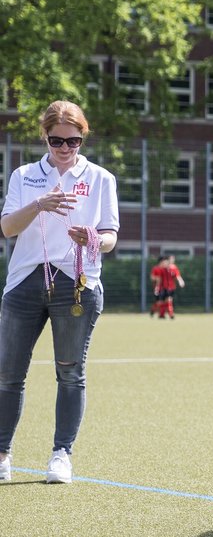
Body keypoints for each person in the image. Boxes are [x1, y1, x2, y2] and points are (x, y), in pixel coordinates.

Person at [0, 100, 119, 485]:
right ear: (45, 137)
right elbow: (7, 229)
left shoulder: (101, 178)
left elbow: (110, 237)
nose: (66, 149)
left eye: (74, 141)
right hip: (25, 281)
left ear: (83, 138)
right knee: (8, 375)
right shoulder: (24, 175)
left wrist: (94, 238)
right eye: (57, 141)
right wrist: (39, 205)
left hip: (77, 282)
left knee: (70, 374)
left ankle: (61, 455)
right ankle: (2, 454)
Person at [159, 254, 184, 319]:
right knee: (163, 301)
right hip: (163, 287)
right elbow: (159, 276)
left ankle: (171, 314)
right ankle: (162, 314)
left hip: (171, 287)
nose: (172, 260)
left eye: (173, 259)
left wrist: (180, 281)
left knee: (169, 300)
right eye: (171, 259)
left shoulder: (173, 267)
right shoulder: (163, 267)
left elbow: (177, 275)